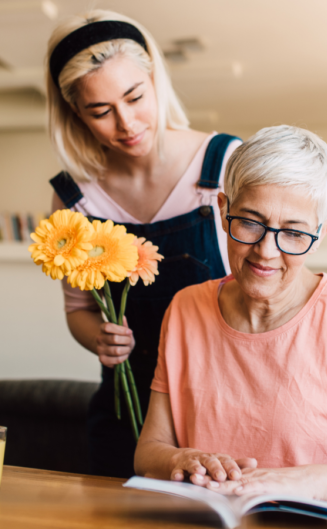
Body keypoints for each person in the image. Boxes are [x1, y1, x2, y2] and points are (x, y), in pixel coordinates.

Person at [134, 125, 327, 508]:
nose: (266, 251)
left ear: (321, 233)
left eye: (294, 234)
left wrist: (299, 482)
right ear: (223, 209)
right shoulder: (185, 308)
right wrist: (181, 459)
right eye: (249, 222)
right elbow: (149, 451)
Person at [45, 10, 242, 478]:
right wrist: (100, 339)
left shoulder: (224, 162)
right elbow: (78, 311)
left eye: (135, 97)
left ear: (156, 79)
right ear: (76, 112)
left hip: (221, 410)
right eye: (100, 111)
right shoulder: (75, 196)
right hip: (123, 415)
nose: (127, 123)